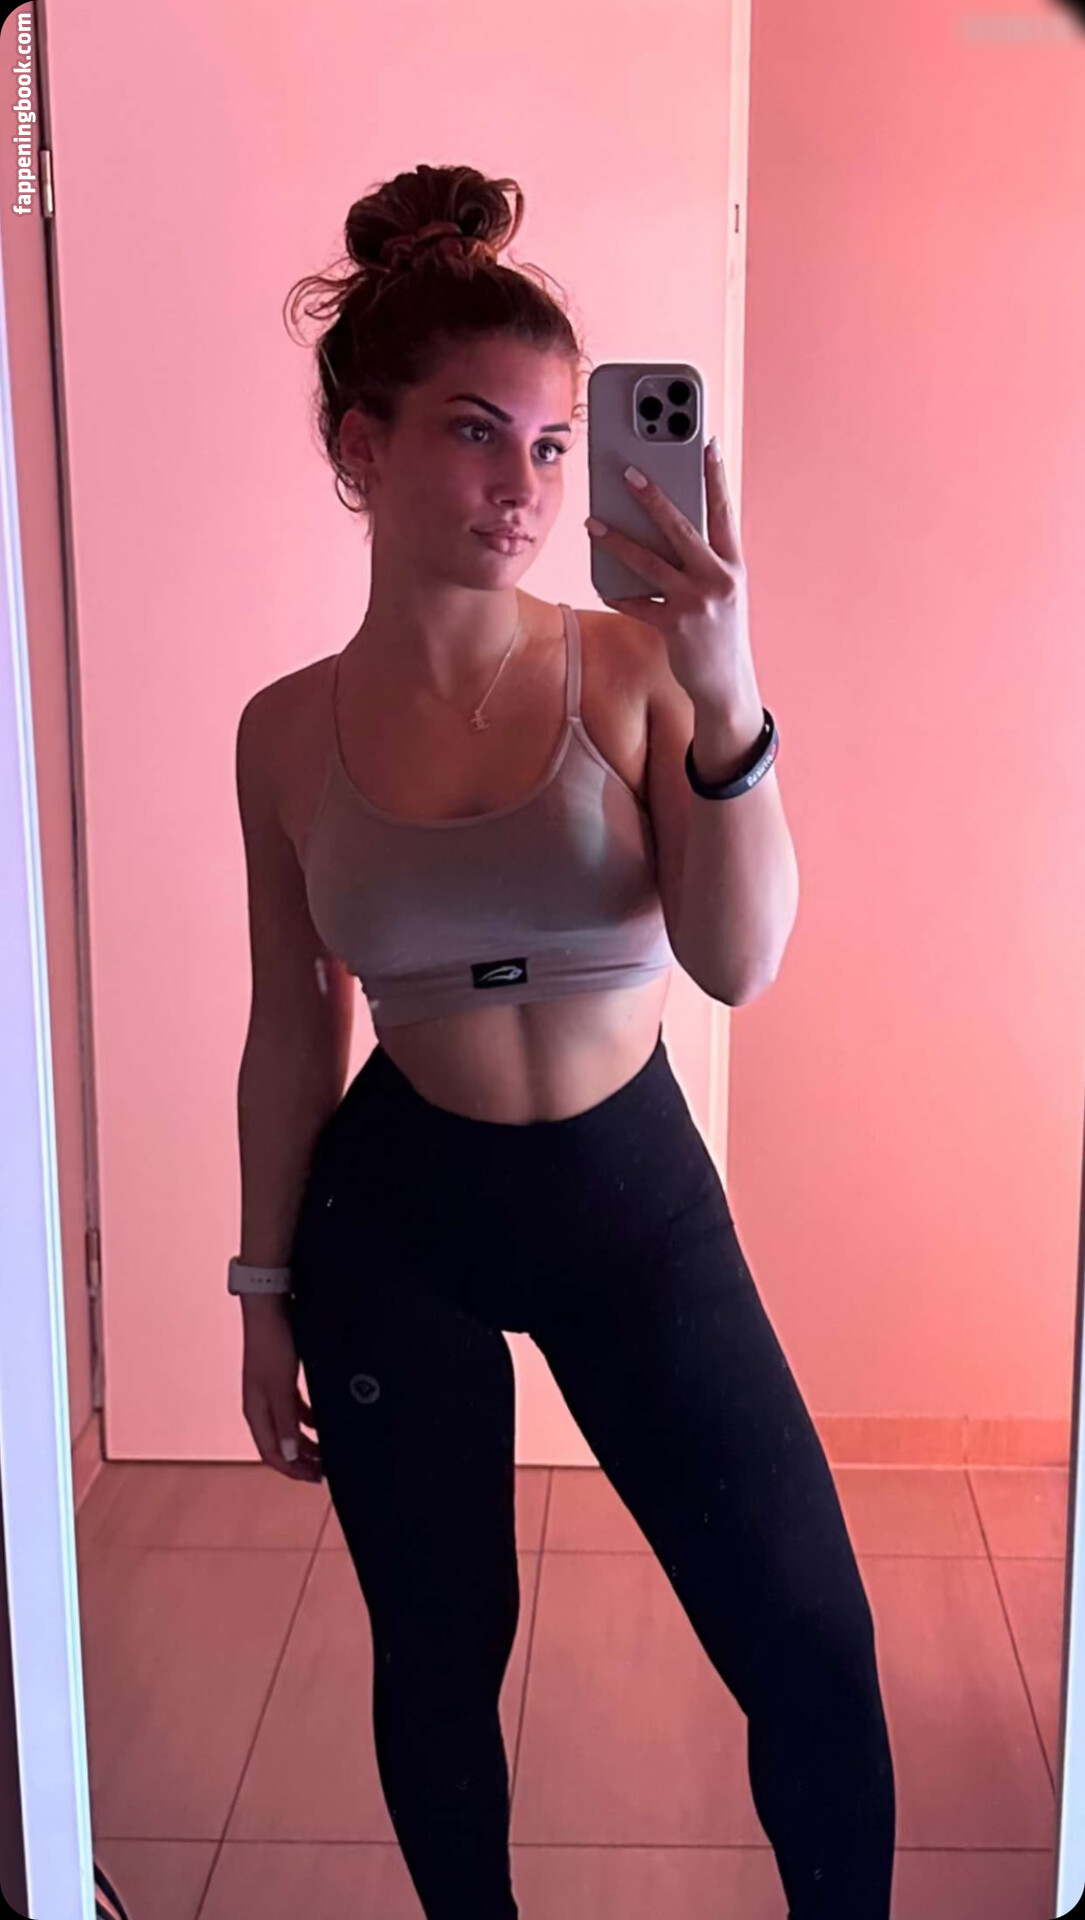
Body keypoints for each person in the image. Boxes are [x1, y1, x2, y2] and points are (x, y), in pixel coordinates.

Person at [229, 162, 896, 1919]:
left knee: (807, 1638)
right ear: (360, 446)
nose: (522, 487)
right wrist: (260, 1289)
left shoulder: (637, 668)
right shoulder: (281, 734)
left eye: (545, 444)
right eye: (471, 435)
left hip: (627, 1203)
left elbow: (736, 964)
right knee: (439, 1658)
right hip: (396, 1223)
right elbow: (290, 1023)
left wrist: (727, 684)